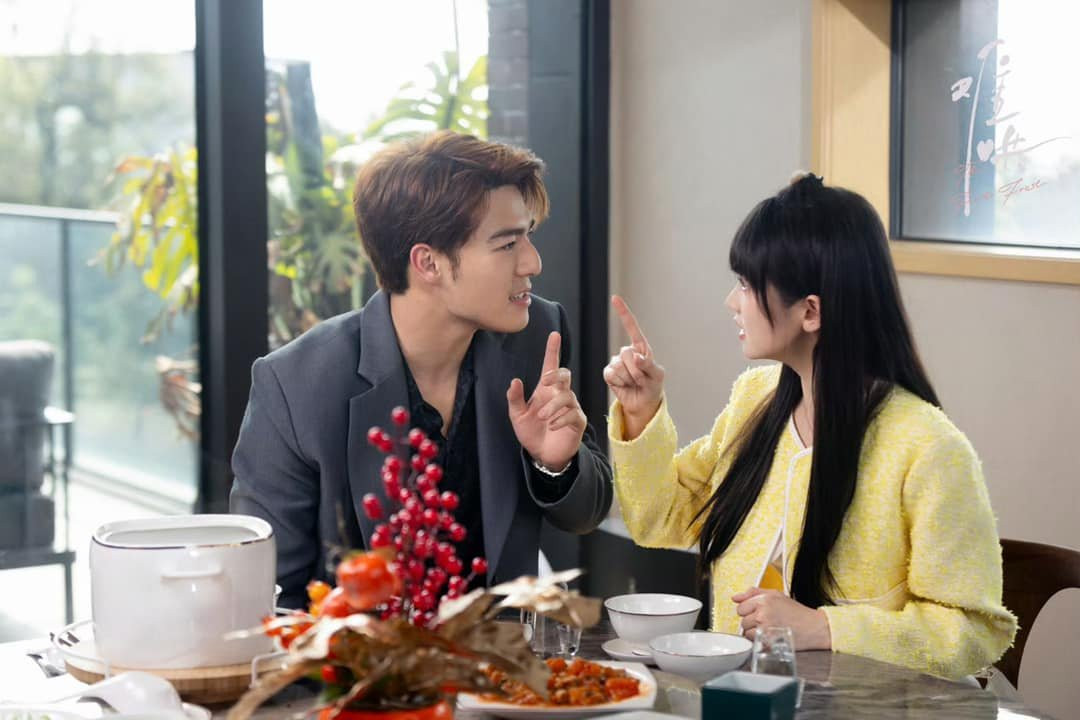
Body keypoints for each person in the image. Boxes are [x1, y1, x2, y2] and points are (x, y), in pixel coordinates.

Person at [604, 174, 1016, 680]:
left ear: (811, 311)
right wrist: (641, 411)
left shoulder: (928, 448)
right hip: (741, 700)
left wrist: (824, 628)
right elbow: (660, 518)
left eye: (746, 285)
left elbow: (973, 632)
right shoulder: (755, 400)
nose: (732, 302)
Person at [232, 131, 612, 610]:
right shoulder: (298, 384)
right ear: (428, 262)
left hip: (498, 651)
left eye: (528, 236)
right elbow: (268, 598)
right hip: (363, 655)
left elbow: (586, 512)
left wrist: (554, 465)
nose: (532, 262)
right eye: (507, 244)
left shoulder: (538, 333)